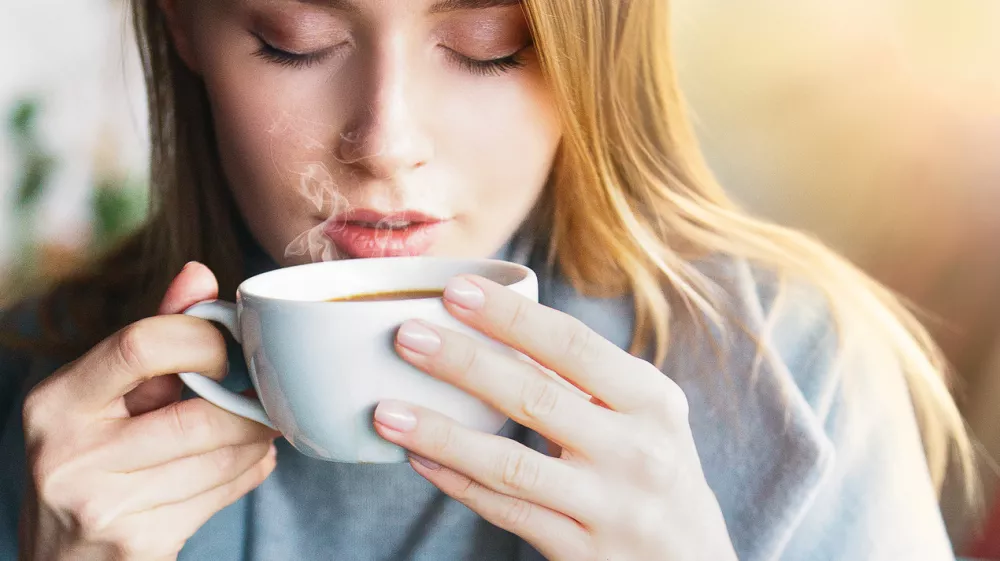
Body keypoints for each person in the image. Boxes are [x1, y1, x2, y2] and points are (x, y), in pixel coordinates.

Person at [0, 0, 976, 559]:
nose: (387, 143)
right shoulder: (39, 394)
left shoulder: (795, 376)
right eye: (294, 36)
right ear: (181, 23)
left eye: (488, 45)